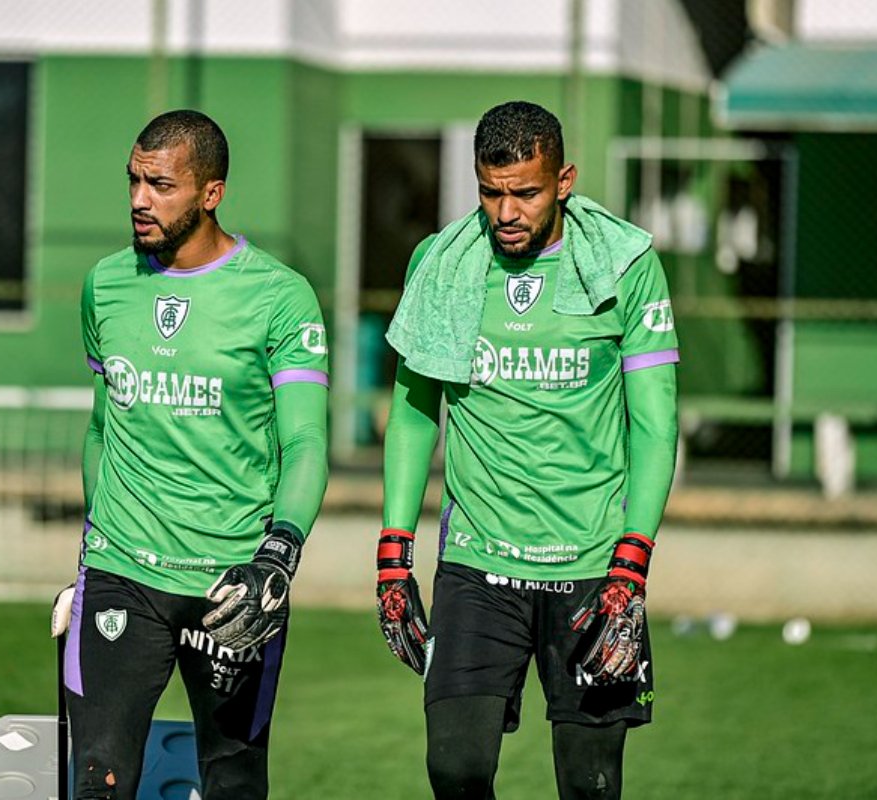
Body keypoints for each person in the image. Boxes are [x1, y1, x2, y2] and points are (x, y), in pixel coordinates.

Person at [375, 100, 678, 799]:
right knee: (454, 770)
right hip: (478, 569)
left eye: (526, 193)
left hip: (593, 569)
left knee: (591, 784)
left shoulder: (625, 265)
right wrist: (394, 556)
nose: (505, 211)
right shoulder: (442, 264)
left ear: (564, 180)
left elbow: (656, 424)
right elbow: (415, 414)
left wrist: (631, 568)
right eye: (491, 192)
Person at [50, 109, 329, 800]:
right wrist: (90, 549)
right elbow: (99, 426)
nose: (140, 200)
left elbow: (305, 442)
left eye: (162, 184)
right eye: (134, 181)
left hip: (231, 584)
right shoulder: (104, 286)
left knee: (233, 784)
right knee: (98, 782)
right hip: (122, 570)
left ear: (211, 193)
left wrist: (278, 555)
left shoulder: (281, 297)